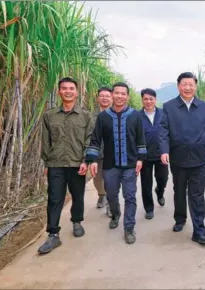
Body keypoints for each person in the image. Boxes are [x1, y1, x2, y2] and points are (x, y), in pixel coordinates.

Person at [85, 82, 147, 244]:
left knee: (130, 196)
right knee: (111, 194)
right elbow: (95, 139)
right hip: (110, 164)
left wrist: (141, 159)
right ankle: (115, 213)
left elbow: (141, 138)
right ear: (112, 95)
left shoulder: (135, 116)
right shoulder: (103, 117)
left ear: (127, 96)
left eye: (123, 93)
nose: (120, 96)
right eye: (117, 93)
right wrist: (92, 160)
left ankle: (128, 227)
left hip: (130, 164)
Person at [159, 72, 205, 246]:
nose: (188, 87)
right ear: (178, 86)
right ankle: (180, 218)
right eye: (184, 84)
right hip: (178, 158)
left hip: (200, 159)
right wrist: (164, 150)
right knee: (179, 190)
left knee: (197, 194)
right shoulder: (169, 107)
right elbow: (163, 131)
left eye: (191, 84)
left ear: (195, 86)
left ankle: (199, 231)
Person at [39, 77, 93, 254]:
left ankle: (77, 221)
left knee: (77, 195)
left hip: (78, 164)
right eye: (64, 88)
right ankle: (53, 234)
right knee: (54, 198)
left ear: (77, 92)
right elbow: (45, 141)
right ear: (59, 92)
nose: (68, 91)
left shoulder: (86, 116)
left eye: (71, 88)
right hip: (56, 163)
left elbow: (89, 140)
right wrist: (46, 162)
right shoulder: (49, 115)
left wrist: (86, 160)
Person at [139, 88, 168, 220]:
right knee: (146, 184)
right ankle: (149, 208)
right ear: (142, 100)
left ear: (155, 100)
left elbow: (169, 133)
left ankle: (160, 192)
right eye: (146, 99)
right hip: (144, 156)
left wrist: (167, 150)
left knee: (163, 178)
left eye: (151, 99)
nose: (149, 101)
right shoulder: (137, 116)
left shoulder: (163, 114)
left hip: (161, 154)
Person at [92, 87, 113, 218]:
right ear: (98, 98)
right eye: (102, 96)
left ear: (112, 98)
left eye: (107, 96)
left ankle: (111, 204)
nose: (104, 98)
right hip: (97, 154)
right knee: (97, 180)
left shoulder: (116, 114)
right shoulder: (92, 116)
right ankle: (101, 195)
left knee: (111, 181)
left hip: (113, 155)